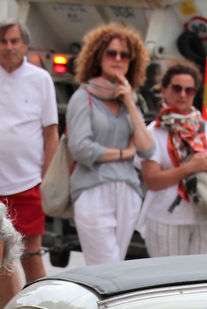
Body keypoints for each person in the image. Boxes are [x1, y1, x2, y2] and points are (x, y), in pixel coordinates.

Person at [0, 20, 56, 309]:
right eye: (3, 41)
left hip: (28, 184)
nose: (9, 47)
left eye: (15, 41)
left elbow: (51, 133)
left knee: (32, 257)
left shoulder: (41, 79)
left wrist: (44, 180)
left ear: (25, 44)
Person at [65, 23, 152, 266]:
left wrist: (130, 103)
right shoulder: (83, 97)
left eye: (124, 55)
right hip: (93, 189)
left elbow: (147, 149)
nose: (118, 59)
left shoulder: (130, 99)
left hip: (128, 190)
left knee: (116, 265)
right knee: (106, 267)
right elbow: (82, 149)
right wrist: (126, 152)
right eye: (111, 53)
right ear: (98, 56)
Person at [139, 60, 207, 257]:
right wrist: (189, 168)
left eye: (189, 90)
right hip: (167, 217)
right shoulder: (153, 132)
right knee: (168, 280)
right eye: (177, 89)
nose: (183, 94)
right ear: (165, 90)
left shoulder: (206, 129)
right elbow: (152, 180)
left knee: (206, 282)